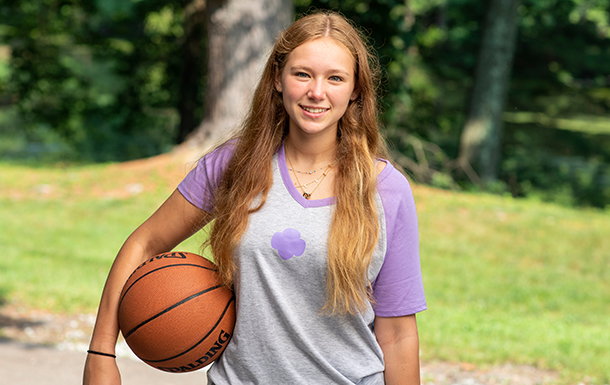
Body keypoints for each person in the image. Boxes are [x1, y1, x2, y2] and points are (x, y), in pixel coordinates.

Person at [83, 10, 426, 385]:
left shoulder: (386, 189)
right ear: (278, 79)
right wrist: (101, 353)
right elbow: (144, 242)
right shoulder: (234, 165)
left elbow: (397, 334)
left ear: (355, 90)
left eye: (335, 78)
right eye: (302, 74)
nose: (317, 91)